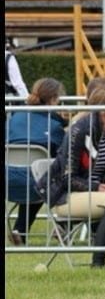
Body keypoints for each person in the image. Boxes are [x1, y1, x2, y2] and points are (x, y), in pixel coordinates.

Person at [36, 81, 105, 268]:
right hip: (65, 197)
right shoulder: (79, 130)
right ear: (104, 109)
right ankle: (97, 263)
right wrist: (100, 188)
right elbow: (68, 178)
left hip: (99, 194)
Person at [6, 77, 68, 245]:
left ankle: (21, 230)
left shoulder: (14, 118)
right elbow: (65, 157)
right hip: (37, 184)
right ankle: (65, 225)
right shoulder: (54, 126)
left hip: (8, 180)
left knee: (36, 178)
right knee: (59, 178)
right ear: (54, 100)